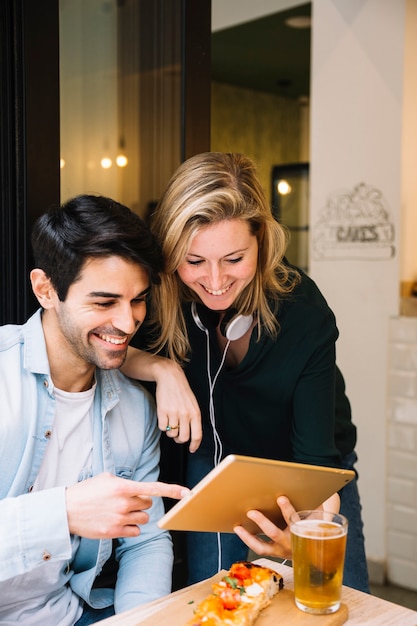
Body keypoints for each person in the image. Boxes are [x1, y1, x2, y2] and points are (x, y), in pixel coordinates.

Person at [125, 152, 369, 593]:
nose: (215, 281)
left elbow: (315, 458)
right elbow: (105, 347)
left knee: (336, 599)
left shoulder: (303, 311)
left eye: (234, 259)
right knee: (209, 598)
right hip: (218, 465)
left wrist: (308, 525)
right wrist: (162, 368)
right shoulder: (162, 299)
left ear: (262, 243)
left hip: (311, 467)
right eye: (194, 261)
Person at [0, 194, 189, 625]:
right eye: (104, 303)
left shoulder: (135, 409)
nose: (127, 323)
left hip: (71, 614)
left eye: (138, 299)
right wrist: (64, 511)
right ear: (45, 290)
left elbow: (143, 541)